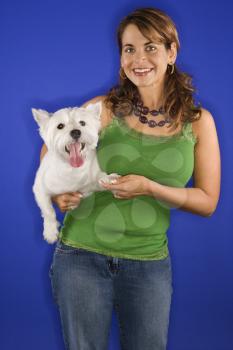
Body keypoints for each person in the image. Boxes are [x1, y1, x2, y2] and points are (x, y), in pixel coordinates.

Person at [41, 7, 221, 350]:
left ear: (172, 53)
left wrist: (150, 188)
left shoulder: (198, 122)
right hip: (80, 258)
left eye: (150, 47)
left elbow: (208, 201)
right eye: (129, 49)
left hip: (148, 263)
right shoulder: (104, 109)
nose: (139, 58)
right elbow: (54, 146)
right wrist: (58, 192)